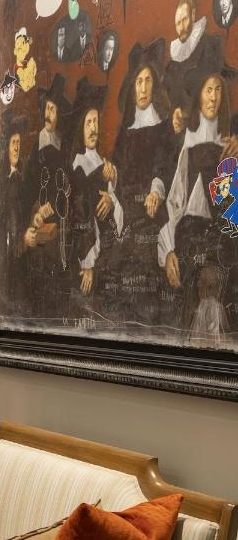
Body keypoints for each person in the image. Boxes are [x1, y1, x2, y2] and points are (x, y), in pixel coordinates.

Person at [158, 39, 238, 337]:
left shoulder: (230, 146)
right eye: (208, 89)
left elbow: (234, 214)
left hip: (225, 247)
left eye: (218, 89)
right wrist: (168, 250)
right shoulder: (187, 145)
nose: (214, 97)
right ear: (199, 94)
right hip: (190, 244)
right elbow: (174, 203)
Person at [109, 39, 177, 325]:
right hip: (126, 214)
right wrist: (111, 176)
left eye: (148, 81)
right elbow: (117, 172)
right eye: (139, 81)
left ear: (154, 86)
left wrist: (155, 191)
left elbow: (164, 166)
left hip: (150, 213)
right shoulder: (125, 131)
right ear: (133, 87)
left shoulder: (163, 128)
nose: (143, 87)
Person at [22, 73, 72, 320]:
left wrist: (53, 205)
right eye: (47, 108)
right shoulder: (36, 149)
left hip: (59, 230)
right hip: (39, 230)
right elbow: (27, 192)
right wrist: (36, 211)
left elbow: (67, 186)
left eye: (53, 109)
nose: (48, 114)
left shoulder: (64, 146)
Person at [68, 79, 122, 306]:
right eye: (88, 123)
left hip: (109, 250)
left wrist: (111, 196)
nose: (93, 129)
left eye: (96, 122)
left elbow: (116, 207)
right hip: (89, 256)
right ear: (81, 128)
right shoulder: (77, 166)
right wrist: (87, 264)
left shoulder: (103, 162)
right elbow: (81, 216)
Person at [0, 109, 31, 316]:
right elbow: (2, 228)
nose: (17, 148)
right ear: (6, 147)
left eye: (19, 143)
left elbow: (22, 215)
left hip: (19, 259)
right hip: (6, 260)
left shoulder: (19, 180)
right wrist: (21, 240)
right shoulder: (3, 185)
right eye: (13, 143)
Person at [163, 0, 208, 132]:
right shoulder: (172, 64)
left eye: (184, 20)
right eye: (178, 23)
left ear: (193, 15)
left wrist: (186, 112)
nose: (181, 27)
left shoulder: (208, 44)